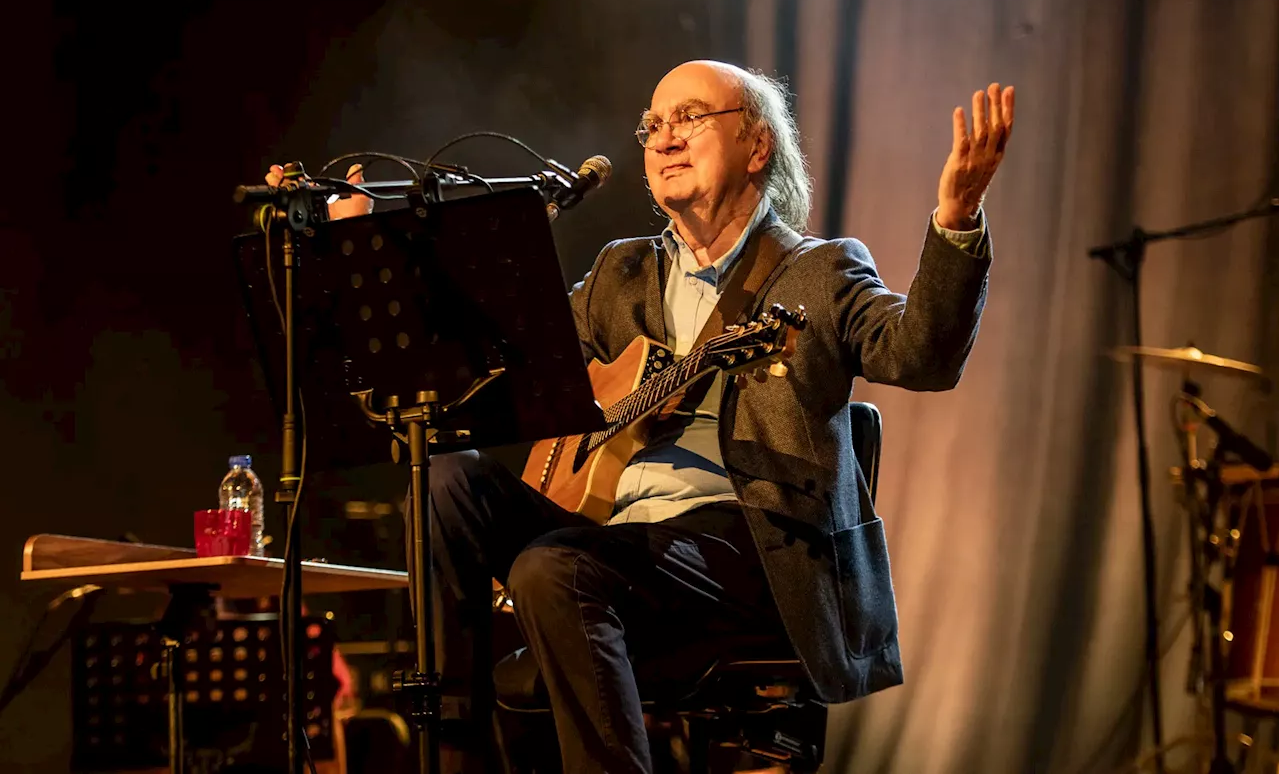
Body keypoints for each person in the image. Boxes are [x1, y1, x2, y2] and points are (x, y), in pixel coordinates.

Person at [265, 60, 1013, 773]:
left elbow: (923, 356)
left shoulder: (820, 270)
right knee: (449, 483)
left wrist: (957, 217)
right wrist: (358, 244)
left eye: (691, 116)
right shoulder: (622, 274)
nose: (663, 136)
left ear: (758, 146)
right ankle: (466, 748)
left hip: (748, 549)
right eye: (653, 123)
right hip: (617, 545)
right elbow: (481, 361)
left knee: (551, 565)